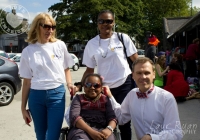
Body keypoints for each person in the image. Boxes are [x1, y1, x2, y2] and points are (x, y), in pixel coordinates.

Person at [75, 10, 138, 140]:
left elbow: (136, 60)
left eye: (108, 21)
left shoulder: (122, 38)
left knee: (124, 122)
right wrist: (80, 85)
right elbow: (89, 70)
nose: (105, 24)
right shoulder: (91, 44)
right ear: (97, 24)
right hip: (103, 88)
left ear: (113, 22)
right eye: (101, 21)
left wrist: (146, 78)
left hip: (124, 83)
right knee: (106, 120)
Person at [19, 13, 75, 140]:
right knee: (40, 136)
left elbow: (66, 69)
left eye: (53, 27)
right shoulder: (28, 51)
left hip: (57, 95)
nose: (50, 30)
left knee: (53, 136)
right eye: (46, 26)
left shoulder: (60, 45)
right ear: (37, 26)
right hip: (36, 97)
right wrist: (23, 108)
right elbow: (27, 82)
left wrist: (70, 84)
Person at [105, 57, 183, 140]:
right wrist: (110, 96)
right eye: (139, 73)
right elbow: (121, 118)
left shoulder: (166, 98)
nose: (143, 77)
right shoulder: (132, 95)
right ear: (133, 75)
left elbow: (176, 133)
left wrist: (152, 137)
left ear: (154, 74)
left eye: (147, 73)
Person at [67, 74, 117, 140]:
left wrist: (109, 129)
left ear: (101, 87)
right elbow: (74, 117)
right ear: (84, 87)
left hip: (102, 130)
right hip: (81, 130)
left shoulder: (105, 99)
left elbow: (112, 118)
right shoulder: (78, 99)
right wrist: (92, 132)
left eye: (96, 85)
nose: (92, 88)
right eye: (88, 85)